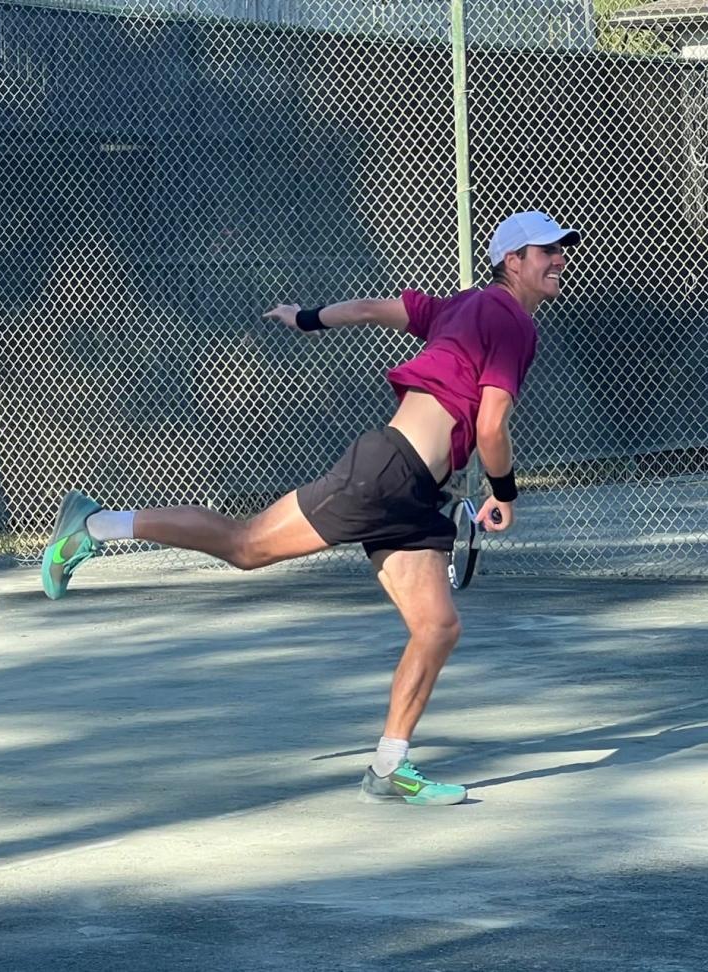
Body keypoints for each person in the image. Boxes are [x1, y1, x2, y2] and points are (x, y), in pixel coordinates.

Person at [40, 211, 580, 807]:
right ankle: (92, 525)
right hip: (386, 474)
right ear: (513, 262)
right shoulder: (509, 319)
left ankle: (390, 769)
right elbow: (492, 423)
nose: (559, 259)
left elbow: (375, 309)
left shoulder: (459, 307)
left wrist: (305, 318)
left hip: (418, 494)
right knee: (245, 546)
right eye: (546, 251)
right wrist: (505, 492)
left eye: (560, 249)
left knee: (438, 628)